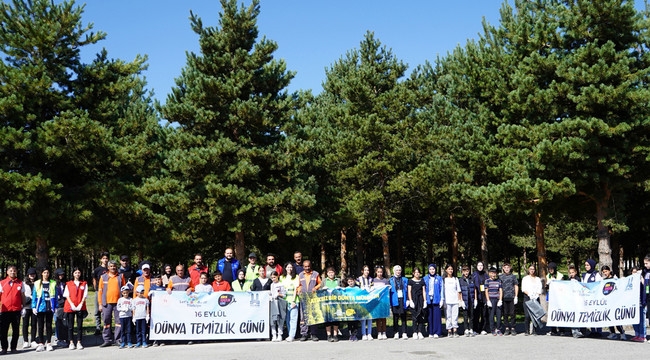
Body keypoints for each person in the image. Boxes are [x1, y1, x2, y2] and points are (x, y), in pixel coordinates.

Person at [98, 260, 127, 347]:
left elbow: (124, 289)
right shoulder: (103, 277)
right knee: (106, 321)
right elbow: (100, 291)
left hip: (118, 303)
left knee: (118, 322)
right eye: (111, 266)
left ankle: (118, 339)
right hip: (106, 303)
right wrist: (100, 303)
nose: (113, 268)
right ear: (108, 267)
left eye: (114, 266)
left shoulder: (120, 276)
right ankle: (107, 340)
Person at [0, 265, 25, 354]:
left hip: (16, 310)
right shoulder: (2, 283)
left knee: (16, 330)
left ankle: (13, 347)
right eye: (11, 271)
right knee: (3, 330)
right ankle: (4, 348)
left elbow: (23, 296)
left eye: (14, 270)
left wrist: (23, 307)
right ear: (7, 272)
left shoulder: (20, 283)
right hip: (5, 311)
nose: (12, 272)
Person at [32, 268, 56, 352]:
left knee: (49, 326)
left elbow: (55, 295)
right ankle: (41, 343)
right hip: (40, 307)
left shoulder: (53, 283)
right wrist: (34, 307)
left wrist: (55, 306)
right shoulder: (37, 283)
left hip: (50, 306)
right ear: (42, 273)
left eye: (47, 272)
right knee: (40, 326)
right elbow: (34, 295)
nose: (46, 274)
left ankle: (49, 343)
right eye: (44, 272)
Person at [63, 267, 87, 350]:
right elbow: (67, 295)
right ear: (73, 274)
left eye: (79, 272)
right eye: (76, 272)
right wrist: (72, 304)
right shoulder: (68, 284)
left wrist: (81, 304)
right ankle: (71, 342)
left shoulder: (84, 283)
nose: (77, 274)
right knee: (70, 326)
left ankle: (79, 342)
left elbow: (85, 295)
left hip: (80, 306)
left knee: (79, 325)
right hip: (71, 307)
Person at [297, 260, 321, 341]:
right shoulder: (300, 275)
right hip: (303, 298)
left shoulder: (315, 274)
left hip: (313, 298)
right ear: (303, 267)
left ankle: (314, 334)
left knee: (313, 315)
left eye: (308, 266)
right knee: (303, 316)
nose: (307, 268)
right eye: (305, 266)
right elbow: (299, 285)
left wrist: (316, 288)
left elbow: (320, 283)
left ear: (311, 266)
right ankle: (304, 333)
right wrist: (299, 290)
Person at [601, 266, 626, 340]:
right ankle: (612, 333)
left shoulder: (615, 279)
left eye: (606, 271)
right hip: (607, 302)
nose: (605, 273)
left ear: (609, 271)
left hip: (615, 302)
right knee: (609, 319)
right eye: (603, 272)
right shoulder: (604, 280)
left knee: (616, 319)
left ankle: (622, 333)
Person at [582, 259, 602, 337]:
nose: (586, 267)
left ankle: (599, 331)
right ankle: (593, 330)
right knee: (590, 314)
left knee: (596, 313)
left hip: (595, 297)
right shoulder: (584, 275)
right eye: (585, 265)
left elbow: (598, 285)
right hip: (587, 298)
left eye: (588, 265)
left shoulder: (596, 275)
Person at [423, 263, 444, 339]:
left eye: (433, 269)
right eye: (430, 269)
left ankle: (437, 332)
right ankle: (430, 332)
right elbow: (423, 289)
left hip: (436, 299)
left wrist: (442, 299)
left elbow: (442, 289)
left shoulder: (439, 278)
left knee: (437, 317)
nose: (432, 271)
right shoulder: (425, 278)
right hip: (428, 300)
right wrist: (424, 300)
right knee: (429, 317)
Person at [521, 264, 542, 336]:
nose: (532, 270)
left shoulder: (538, 279)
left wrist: (536, 295)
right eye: (530, 269)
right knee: (527, 315)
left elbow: (540, 288)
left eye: (533, 269)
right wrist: (530, 294)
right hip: (527, 297)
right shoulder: (525, 278)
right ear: (528, 270)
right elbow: (523, 289)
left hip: (536, 298)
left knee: (535, 315)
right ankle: (526, 330)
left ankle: (535, 330)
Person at [499, 262, 519, 336]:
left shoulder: (513, 277)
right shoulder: (500, 277)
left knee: (512, 313)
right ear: (503, 269)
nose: (507, 269)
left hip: (512, 297)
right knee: (505, 313)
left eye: (508, 268)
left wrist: (516, 296)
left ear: (510, 268)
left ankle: (513, 328)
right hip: (504, 297)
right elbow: (499, 288)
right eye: (505, 268)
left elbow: (516, 286)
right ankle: (507, 328)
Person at [389, 265, 408, 340]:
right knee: (395, 317)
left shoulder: (405, 279)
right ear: (394, 271)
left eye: (399, 270)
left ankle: (404, 332)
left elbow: (407, 290)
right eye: (397, 270)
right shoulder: (390, 280)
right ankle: (396, 332)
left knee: (403, 317)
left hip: (403, 299)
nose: (398, 272)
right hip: (394, 300)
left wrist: (408, 300)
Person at [281, 262, 300, 342]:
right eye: (288, 267)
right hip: (285, 300)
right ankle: (289, 334)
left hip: (294, 300)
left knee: (293, 319)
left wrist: (293, 300)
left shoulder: (296, 277)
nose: (289, 269)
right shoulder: (282, 277)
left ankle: (292, 335)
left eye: (291, 267)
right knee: (287, 319)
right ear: (285, 268)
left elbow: (296, 289)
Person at [92, 252, 109, 335]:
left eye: (106, 258)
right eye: (103, 258)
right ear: (101, 259)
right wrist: (96, 289)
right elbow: (94, 279)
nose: (105, 260)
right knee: (97, 310)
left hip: (107, 292)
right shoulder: (97, 270)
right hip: (99, 291)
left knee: (106, 310)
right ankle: (98, 327)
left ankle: (106, 327)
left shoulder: (110, 269)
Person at [443, 264, 462, 338]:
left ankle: (455, 330)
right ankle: (449, 331)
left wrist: (459, 300)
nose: (450, 270)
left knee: (455, 316)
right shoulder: (444, 280)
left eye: (451, 269)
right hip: (447, 301)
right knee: (448, 317)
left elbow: (458, 290)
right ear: (446, 270)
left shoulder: (455, 279)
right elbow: (443, 291)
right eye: (449, 269)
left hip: (455, 301)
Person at [545, 262, 564, 336]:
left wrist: (556, 281)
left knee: (559, 313)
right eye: (549, 269)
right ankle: (553, 330)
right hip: (551, 296)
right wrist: (547, 284)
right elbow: (546, 286)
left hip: (559, 296)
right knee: (551, 313)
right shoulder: (548, 276)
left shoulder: (560, 275)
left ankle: (562, 330)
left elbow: (562, 284)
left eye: (552, 269)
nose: (550, 270)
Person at [322, 267, 341, 342]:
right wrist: (323, 289)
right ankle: (329, 335)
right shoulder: (324, 281)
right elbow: (320, 291)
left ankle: (335, 335)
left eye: (332, 272)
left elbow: (342, 290)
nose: (331, 274)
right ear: (327, 274)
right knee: (327, 319)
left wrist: (339, 288)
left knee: (336, 318)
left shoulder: (338, 280)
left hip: (336, 303)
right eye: (329, 272)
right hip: (327, 303)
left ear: (335, 273)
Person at [408, 267, 427, 339]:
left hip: (420, 300)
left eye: (418, 272)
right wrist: (410, 300)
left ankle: (420, 332)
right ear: (413, 273)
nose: (417, 274)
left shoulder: (422, 281)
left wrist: (425, 301)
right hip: (414, 299)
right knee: (414, 317)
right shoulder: (411, 281)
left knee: (421, 317)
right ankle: (414, 332)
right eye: (416, 272)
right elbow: (409, 291)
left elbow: (424, 291)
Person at [566, 265, 584, 338]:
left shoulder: (578, 279)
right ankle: (573, 331)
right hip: (571, 300)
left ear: (575, 272)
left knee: (578, 315)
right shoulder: (568, 280)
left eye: (573, 272)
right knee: (572, 316)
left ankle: (578, 330)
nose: (571, 274)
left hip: (577, 299)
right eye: (570, 273)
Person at [631, 263, 647, 342]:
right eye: (632, 272)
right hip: (633, 304)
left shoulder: (641, 280)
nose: (634, 273)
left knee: (641, 320)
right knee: (634, 320)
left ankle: (642, 335)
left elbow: (645, 287)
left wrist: (641, 277)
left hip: (641, 303)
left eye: (635, 272)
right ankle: (637, 334)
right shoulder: (630, 281)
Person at [472, 261, 489, 335]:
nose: (480, 267)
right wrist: (475, 298)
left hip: (484, 296)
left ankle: (483, 328)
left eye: (481, 265)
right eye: (479, 265)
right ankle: (475, 329)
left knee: (484, 314)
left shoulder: (485, 275)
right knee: (476, 314)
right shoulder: (474, 275)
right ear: (476, 266)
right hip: (477, 296)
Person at [484, 267, 503, 336]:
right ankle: (492, 329)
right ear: (489, 273)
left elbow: (500, 290)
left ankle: (498, 329)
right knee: (491, 315)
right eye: (492, 273)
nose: (493, 274)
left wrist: (500, 300)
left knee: (499, 315)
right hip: (491, 299)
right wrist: (488, 300)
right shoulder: (487, 281)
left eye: (494, 273)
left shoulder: (499, 281)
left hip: (497, 299)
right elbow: (486, 291)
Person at [357, 265, 374, 340]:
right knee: (363, 318)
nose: (367, 272)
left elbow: (373, 288)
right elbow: (357, 289)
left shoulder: (371, 279)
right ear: (362, 271)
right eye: (365, 270)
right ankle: (364, 334)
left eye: (368, 270)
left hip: (370, 300)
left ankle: (369, 333)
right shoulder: (358, 279)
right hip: (362, 300)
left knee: (370, 317)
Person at [373, 265, 389, 340]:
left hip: (384, 301)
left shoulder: (385, 280)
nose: (380, 273)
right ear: (376, 272)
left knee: (383, 317)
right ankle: (379, 332)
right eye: (378, 272)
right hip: (376, 301)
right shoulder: (373, 281)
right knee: (378, 317)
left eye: (381, 272)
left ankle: (384, 332)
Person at [22, 267, 37, 349]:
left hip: (34, 307)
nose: (32, 275)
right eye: (30, 274)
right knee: (25, 324)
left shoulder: (37, 283)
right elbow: (22, 295)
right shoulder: (24, 284)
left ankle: (33, 340)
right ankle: (25, 341)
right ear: (28, 275)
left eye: (33, 274)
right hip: (26, 306)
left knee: (34, 324)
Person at [269, 271, 287, 342]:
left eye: (274, 277)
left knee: (280, 319)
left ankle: (280, 334)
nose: (273, 279)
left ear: (277, 277)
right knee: (273, 320)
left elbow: (284, 294)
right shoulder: (271, 285)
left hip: (279, 303)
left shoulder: (281, 285)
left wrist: (279, 295)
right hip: (273, 302)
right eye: (272, 278)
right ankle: (274, 334)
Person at [458, 265, 475, 337]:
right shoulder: (460, 280)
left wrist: (476, 299)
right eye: (464, 271)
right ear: (462, 272)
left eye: (467, 271)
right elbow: (459, 291)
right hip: (464, 300)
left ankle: (471, 328)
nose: (466, 272)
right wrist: (461, 300)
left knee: (471, 315)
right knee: (465, 316)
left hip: (471, 299)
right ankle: (466, 329)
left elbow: (475, 289)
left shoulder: (471, 279)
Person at [53, 268, 68, 347]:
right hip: (57, 304)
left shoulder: (65, 283)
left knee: (64, 321)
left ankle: (64, 337)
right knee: (57, 321)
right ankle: (58, 338)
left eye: (62, 274)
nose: (61, 276)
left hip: (64, 304)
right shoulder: (54, 283)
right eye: (59, 274)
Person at [344, 276, 360, 341]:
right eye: (349, 282)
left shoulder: (357, 288)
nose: (350, 283)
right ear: (347, 283)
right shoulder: (346, 289)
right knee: (350, 322)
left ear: (354, 281)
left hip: (356, 307)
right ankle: (350, 335)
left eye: (351, 281)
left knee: (356, 322)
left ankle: (355, 335)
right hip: (349, 308)